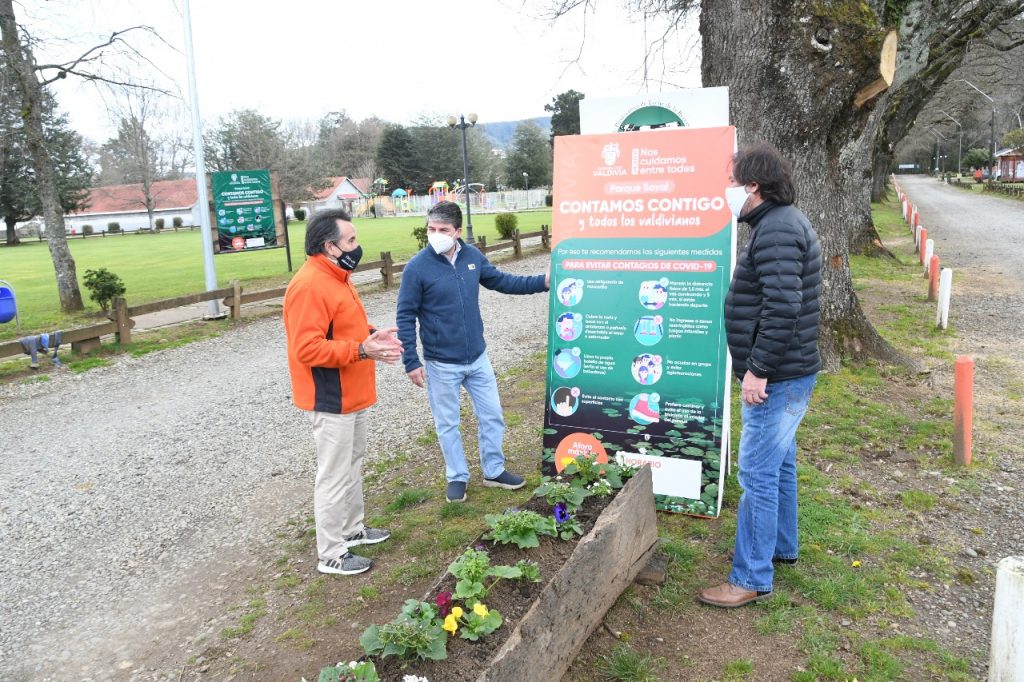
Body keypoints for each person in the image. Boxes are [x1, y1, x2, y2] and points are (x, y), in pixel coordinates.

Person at [698, 143, 822, 608]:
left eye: (731, 181)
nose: (726, 190)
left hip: (778, 376)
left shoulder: (774, 230)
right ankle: (780, 547)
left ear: (752, 185)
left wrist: (758, 371)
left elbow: (784, 306)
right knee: (780, 463)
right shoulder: (780, 222)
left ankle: (749, 577)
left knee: (757, 473)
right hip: (791, 372)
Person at [396, 201, 549, 503]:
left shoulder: (472, 257)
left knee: (492, 416)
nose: (435, 234)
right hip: (441, 363)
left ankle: (493, 470)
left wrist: (543, 282)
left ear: (456, 231)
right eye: (431, 229)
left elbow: (504, 281)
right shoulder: (417, 267)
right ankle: (457, 476)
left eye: (442, 230)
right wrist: (410, 361)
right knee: (447, 424)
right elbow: (405, 315)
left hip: (477, 358)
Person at [283, 208, 403, 576]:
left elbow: (342, 326)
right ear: (329, 246)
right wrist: (361, 350)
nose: (357, 246)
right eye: (350, 240)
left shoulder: (338, 277)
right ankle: (331, 553)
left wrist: (370, 334)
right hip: (330, 397)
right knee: (333, 474)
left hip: (354, 391)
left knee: (352, 463)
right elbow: (307, 348)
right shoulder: (309, 285)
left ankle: (352, 530)